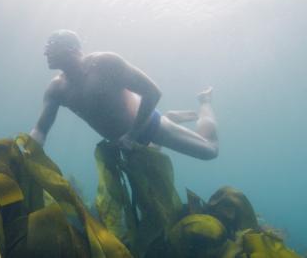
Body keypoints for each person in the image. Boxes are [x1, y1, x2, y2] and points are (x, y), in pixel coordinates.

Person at [30, 30, 218, 160]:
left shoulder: (104, 63)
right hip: (124, 143)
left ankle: (204, 101)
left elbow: (152, 92)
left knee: (210, 151)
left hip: (148, 127)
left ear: (71, 48)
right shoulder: (56, 90)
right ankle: (171, 118)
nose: (46, 51)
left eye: (52, 45)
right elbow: (40, 129)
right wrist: (28, 153)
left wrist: (131, 135)